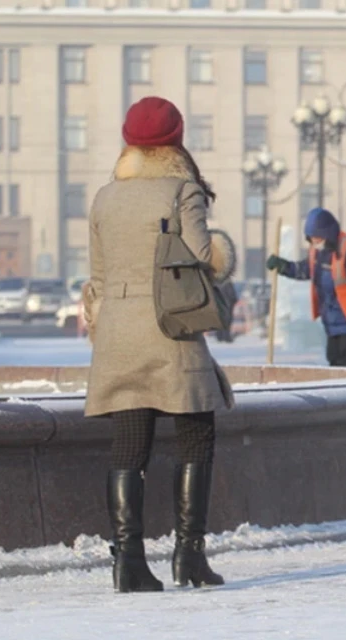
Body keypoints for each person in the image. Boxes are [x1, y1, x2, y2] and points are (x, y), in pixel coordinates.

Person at [83, 96, 235, 593]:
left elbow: (98, 276)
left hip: (120, 331)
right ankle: (189, 558)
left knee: (129, 446)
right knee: (196, 435)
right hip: (171, 327)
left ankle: (127, 562)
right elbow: (199, 255)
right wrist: (223, 255)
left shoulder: (105, 196)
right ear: (175, 139)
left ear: (129, 140)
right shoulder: (181, 189)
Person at [266, 208, 346, 367]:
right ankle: (339, 392)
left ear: (328, 233)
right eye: (311, 239)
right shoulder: (318, 252)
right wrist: (283, 266)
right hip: (332, 320)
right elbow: (305, 270)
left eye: (317, 238)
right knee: (334, 360)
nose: (314, 242)